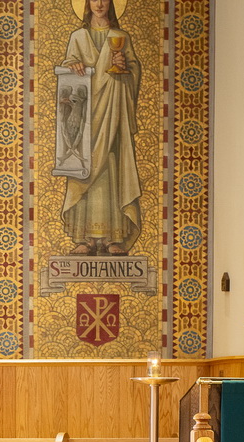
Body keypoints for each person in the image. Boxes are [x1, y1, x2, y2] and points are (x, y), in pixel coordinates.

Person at [59, 0, 141, 255]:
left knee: (110, 167)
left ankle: (111, 238)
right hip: (85, 117)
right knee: (84, 167)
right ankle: (84, 238)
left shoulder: (121, 37)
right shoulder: (78, 37)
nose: (100, 4)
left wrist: (126, 69)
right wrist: (72, 65)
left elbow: (134, 72)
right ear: (86, 4)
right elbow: (67, 74)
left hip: (113, 113)